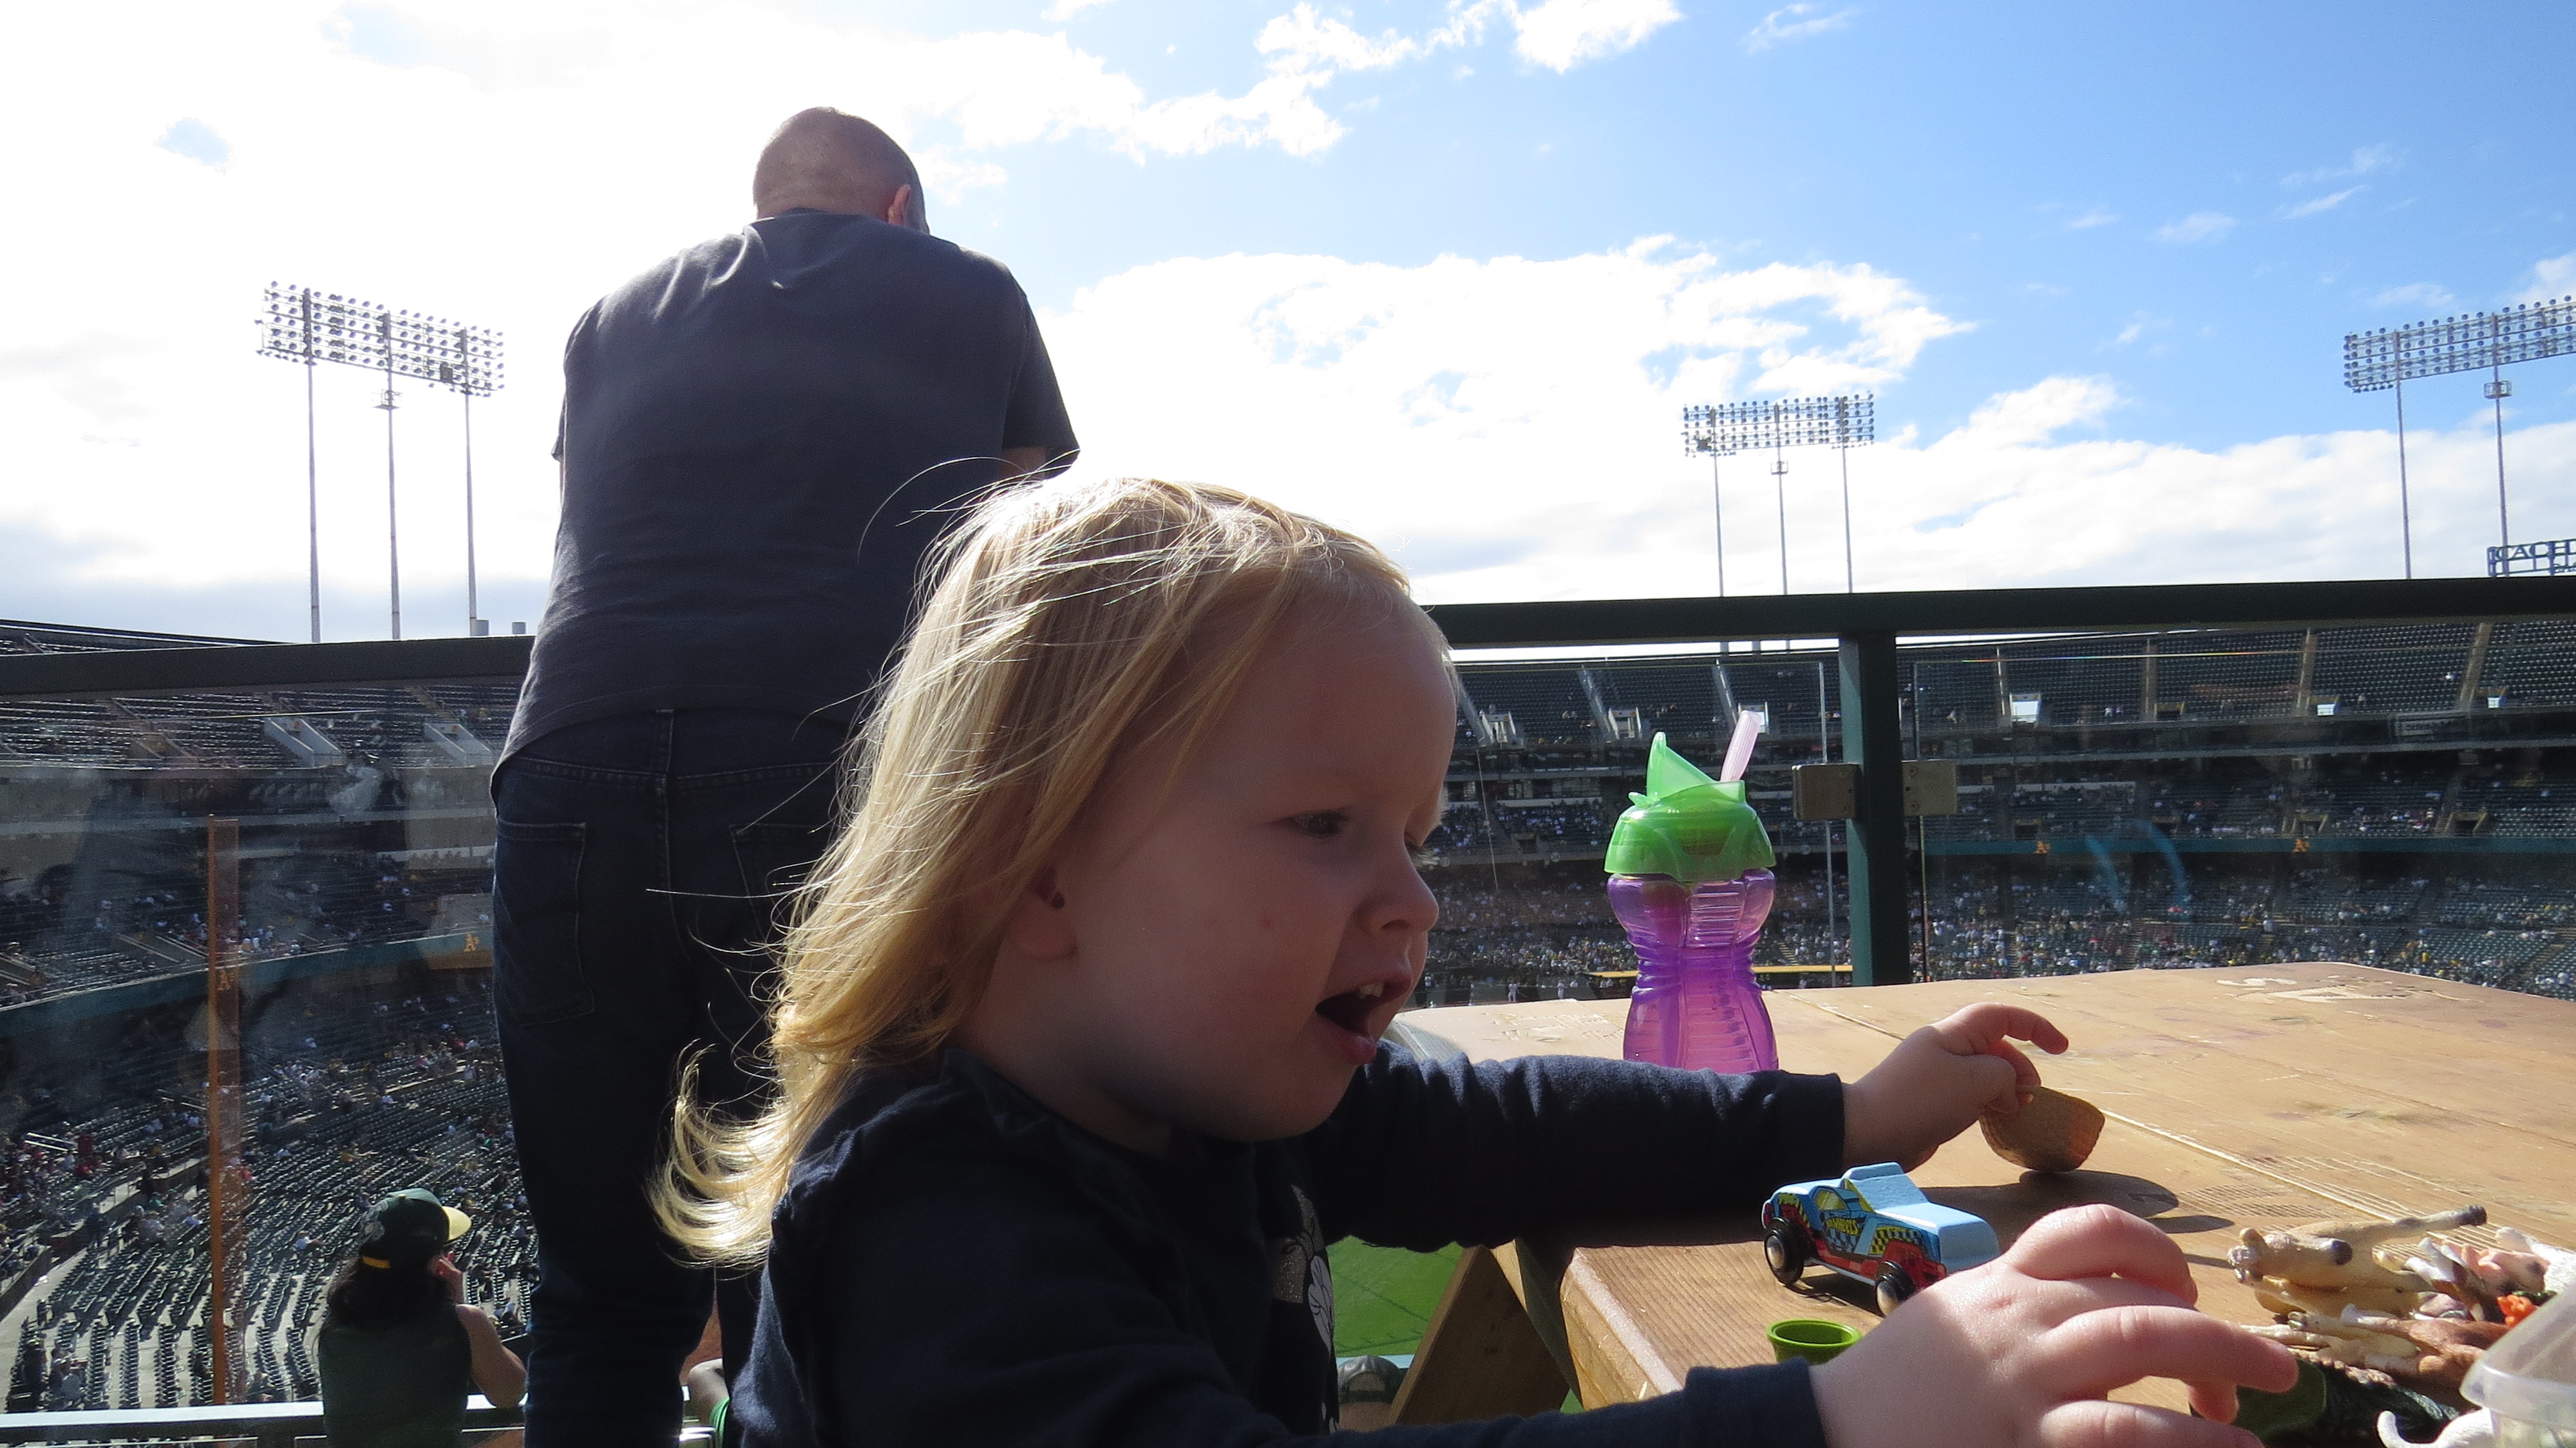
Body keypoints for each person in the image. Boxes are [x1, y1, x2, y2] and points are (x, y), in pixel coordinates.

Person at [659, 476, 2299, 1447]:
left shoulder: (1208, 1084)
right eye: (1324, 824)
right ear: (1033, 866)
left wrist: (1850, 1117)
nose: (1411, 900)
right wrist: (1834, 1418)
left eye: (1415, 834)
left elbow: (1506, 1126)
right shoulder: (930, 1222)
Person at [491, 107, 1079, 1441]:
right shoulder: (966, 284)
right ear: (899, 208)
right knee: (808, 1262)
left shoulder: (606, 317)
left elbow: (597, 515)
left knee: (600, 1294)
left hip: (567, 758)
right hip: (822, 751)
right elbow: (1020, 540)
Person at [316, 1188, 525, 1448]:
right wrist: (461, 1309)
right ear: (436, 1261)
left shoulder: (337, 1319)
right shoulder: (463, 1321)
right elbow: (510, 1394)